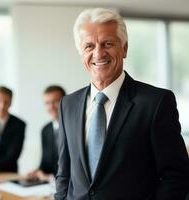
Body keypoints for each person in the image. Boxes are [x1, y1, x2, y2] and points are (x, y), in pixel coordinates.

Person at [55, 8, 189, 200]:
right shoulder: (68, 104)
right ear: (81, 53)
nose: (98, 53)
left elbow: (176, 176)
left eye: (107, 44)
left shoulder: (155, 103)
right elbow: (64, 173)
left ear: (124, 48)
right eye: (89, 46)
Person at [27, 85, 66, 182]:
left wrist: (50, 178)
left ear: (65, 101)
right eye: (47, 103)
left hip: (67, 185)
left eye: (55, 102)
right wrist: (36, 172)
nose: (51, 107)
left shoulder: (75, 127)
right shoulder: (45, 130)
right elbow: (45, 162)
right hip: (48, 185)